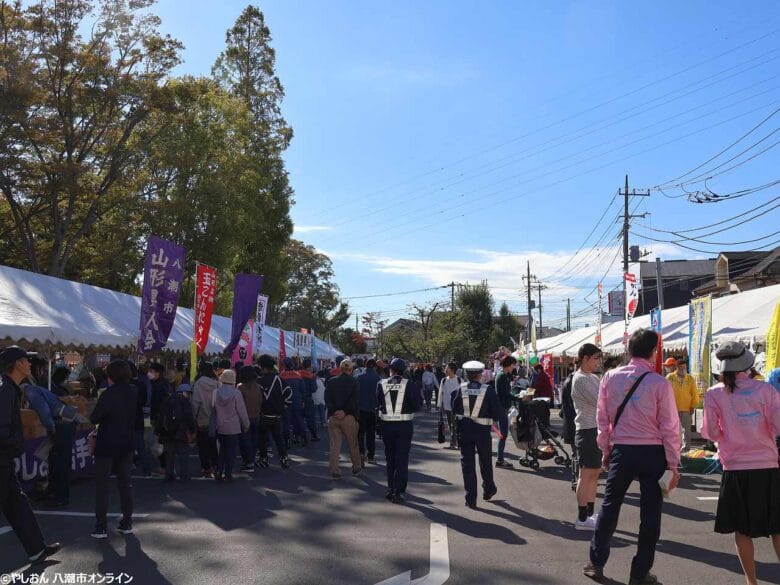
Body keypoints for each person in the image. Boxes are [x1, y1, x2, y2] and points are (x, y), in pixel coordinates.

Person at [585, 329, 681, 585]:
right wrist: (673, 463)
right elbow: (670, 427)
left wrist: (606, 449)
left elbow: (602, 418)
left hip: (622, 450)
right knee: (650, 515)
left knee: (610, 505)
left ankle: (596, 562)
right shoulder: (660, 382)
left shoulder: (609, 377)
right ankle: (639, 573)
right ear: (654, 351)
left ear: (629, 351)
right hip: (653, 453)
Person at [702, 342, 780, 585]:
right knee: (777, 527)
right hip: (767, 465)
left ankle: (751, 582)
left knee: (742, 529)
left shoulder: (714, 394)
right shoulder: (766, 390)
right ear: (746, 363)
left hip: (735, 467)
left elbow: (711, 432)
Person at [0, 346, 61, 563]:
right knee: (16, 503)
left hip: (5, 458)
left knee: (18, 504)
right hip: (2, 457)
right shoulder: (6, 390)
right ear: (17, 364)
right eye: (26, 360)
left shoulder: (10, 388)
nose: (29, 363)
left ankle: (36, 549)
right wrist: (13, 443)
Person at [90, 359, 137, 539]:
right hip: (126, 443)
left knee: (102, 486)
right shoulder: (134, 391)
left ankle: (101, 526)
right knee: (125, 484)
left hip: (107, 443)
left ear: (111, 376)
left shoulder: (108, 395)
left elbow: (95, 417)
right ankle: (127, 522)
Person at [452, 360, 503, 510]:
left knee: (467, 464)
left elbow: (454, 409)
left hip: (465, 429)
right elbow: (498, 413)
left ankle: (470, 498)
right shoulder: (488, 390)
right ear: (481, 374)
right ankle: (488, 488)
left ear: (466, 375)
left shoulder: (459, 389)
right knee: (485, 461)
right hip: (482, 431)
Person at [23, 382, 77, 508]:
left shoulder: (31, 392)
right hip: (65, 422)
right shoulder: (36, 389)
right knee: (56, 460)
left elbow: (44, 412)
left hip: (60, 425)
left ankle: (60, 497)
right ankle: (54, 493)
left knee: (59, 462)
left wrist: (52, 429)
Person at [377, 358, 422, 503]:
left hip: (387, 426)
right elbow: (417, 405)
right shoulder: (409, 384)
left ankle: (390, 488)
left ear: (391, 370)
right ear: (404, 371)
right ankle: (399, 491)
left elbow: (376, 402)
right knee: (402, 458)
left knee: (390, 458)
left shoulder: (382, 383)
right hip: (404, 426)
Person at [571, 343, 603, 531]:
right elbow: (600, 400)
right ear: (585, 358)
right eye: (595, 358)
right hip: (586, 430)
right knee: (586, 474)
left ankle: (589, 514)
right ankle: (582, 517)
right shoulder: (580, 379)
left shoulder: (592, 377)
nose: (598, 362)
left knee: (594, 473)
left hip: (595, 429)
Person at [324, 359, 362, 479]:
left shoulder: (331, 381)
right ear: (351, 370)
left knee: (335, 445)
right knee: (353, 444)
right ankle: (356, 467)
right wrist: (344, 411)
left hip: (334, 417)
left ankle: (335, 470)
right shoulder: (354, 382)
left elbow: (327, 399)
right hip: (349, 417)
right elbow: (355, 400)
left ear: (340, 368)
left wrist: (335, 410)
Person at [213, 369, 249, 482]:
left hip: (220, 425)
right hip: (233, 427)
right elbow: (241, 411)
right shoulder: (236, 393)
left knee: (222, 450)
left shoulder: (216, 392)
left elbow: (212, 407)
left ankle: (219, 470)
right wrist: (246, 424)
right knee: (231, 451)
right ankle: (228, 473)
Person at [256, 355, 292, 469]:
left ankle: (264, 459)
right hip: (276, 415)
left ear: (263, 367)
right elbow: (288, 393)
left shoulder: (259, 380)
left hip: (263, 415)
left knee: (262, 439)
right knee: (279, 439)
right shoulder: (279, 379)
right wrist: (285, 405)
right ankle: (284, 459)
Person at [155, 382, 196, 482]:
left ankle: (169, 475)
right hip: (180, 432)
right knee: (183, 454)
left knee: (169, 455)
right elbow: (189, 417)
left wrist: (158, 431)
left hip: (167, 432)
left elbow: (161, 417)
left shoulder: (167, 400)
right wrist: (192, 430)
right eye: (189, 393)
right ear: (184, 392)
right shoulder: (185, 401)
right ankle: (184, 476)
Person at [665, 357, 698, 453]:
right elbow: (665, 393)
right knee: (675, 429)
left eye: (684, 367)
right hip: (673, 408)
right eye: (681, 367)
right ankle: (676, 447)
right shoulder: (670, 377)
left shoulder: (690, 378)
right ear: (676, 367)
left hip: (686, 408)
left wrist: (693, 406)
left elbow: (694, 393)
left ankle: (686, 447)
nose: (683, 369)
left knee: (687, 429)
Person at [191, 362, 219, 478]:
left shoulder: (197, 384)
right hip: (214, 419)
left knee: (203, 446)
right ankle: (216, 466)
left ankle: (206, 468)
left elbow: (195, 404)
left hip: (201, 419)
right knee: (213, 444)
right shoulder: (217, 384)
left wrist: (193, 419)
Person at [238, 365, 262, 472]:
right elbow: (260, 401)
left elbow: (238, 404)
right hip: (256, 416)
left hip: (244, 418)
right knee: (254, 439)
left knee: (245, 440)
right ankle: (252, 459)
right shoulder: (257, 386)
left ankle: (248, 462)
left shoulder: (240, 387)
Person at [494, 356, 516, 468]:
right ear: (509, 364)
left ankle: (500, 458)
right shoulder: (501, 375)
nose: (514, 367)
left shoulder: (503, 375)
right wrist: (516, 397)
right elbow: (503, 394)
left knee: (503, 434)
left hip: (503, 408)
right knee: (503, 434)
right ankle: (500, 459)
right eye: (513, 364)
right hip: (502, 408)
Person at [357, 358, 380, 464]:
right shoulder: (378, 378)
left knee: (360, 433)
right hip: (372, 409)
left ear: (365, 366)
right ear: (375, 367)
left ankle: (361, 452)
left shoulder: (359, 378)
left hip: (361, 409)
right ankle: (371, 454)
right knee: (371, 434)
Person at [437, 362, 462, 449]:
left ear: (451, 370)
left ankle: (456, 443)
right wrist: (439, 405)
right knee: (451, 425)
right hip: (447, 406)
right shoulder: (444, 380)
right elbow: (441, 393)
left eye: (446, 368)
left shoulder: (459, 380)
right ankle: (454, 443)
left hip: (457, 407)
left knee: (456, 425)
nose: (445, 369)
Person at [298, 359, 321, 442]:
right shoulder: (311, 376)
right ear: (309, 366)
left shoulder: (297, 374)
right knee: (310, 418)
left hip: (298, 399)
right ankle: (314, 435)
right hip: (308, 399)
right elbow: (314, 389)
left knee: (298, 418)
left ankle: (297, 436)